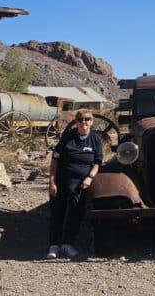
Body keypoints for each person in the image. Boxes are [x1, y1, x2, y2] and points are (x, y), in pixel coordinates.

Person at [47, 109, 103, 259]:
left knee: (75, 213)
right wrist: (52, 181)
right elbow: (55, 159)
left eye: (87, 119)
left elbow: (97, 163)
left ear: (91, 121)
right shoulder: (68, 137)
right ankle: (54, 245)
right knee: (57, 212)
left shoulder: (95, 139)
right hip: (61, 180)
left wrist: (90, 177)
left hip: (80, 183)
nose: (83, 122)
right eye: (80, 120)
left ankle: (67, 244)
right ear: (76, 122)